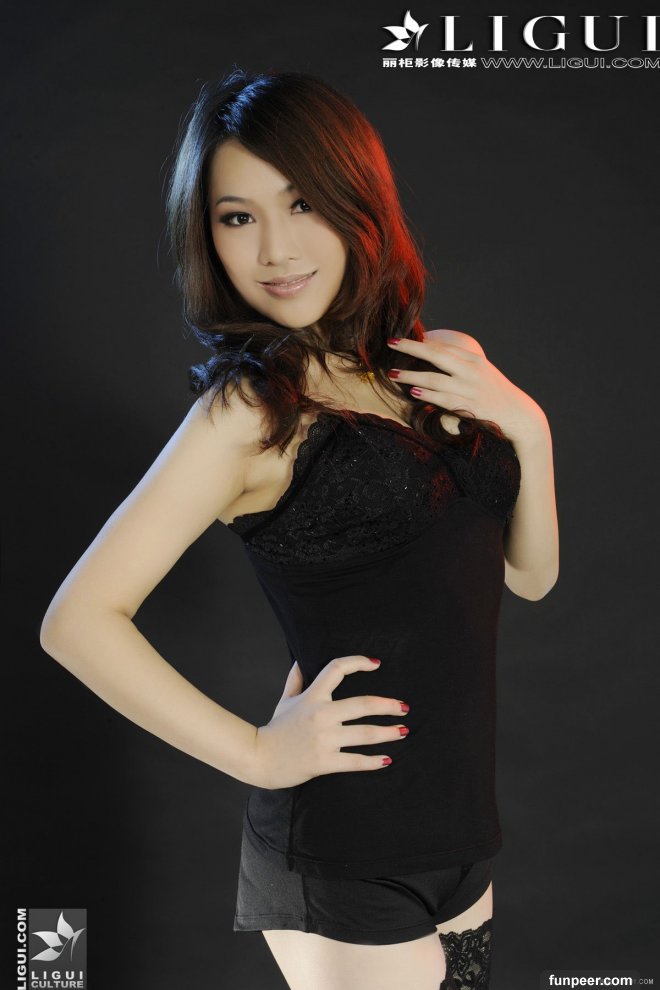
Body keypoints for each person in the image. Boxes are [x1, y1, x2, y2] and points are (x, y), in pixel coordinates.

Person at [39, 69, 559, 990]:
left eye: (303, 203)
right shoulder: (248, 414)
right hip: (342, 857)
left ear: (360, 203)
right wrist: (258, 751)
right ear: (208, 236)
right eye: (237, 217)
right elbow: (75, 623)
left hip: (465, 848)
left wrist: (531, 427)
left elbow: (528, 576)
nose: (274, 249)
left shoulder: (440, 365)